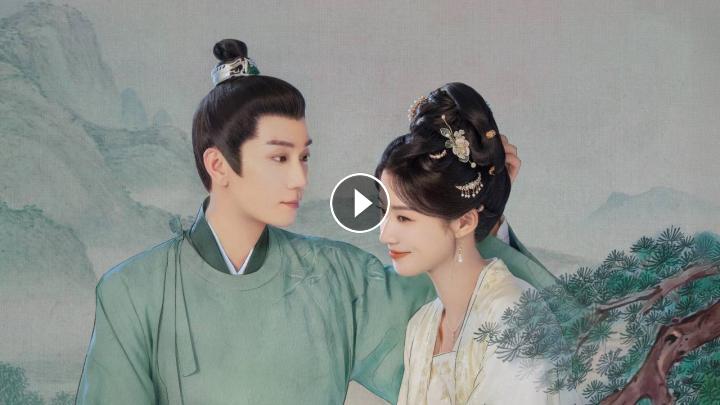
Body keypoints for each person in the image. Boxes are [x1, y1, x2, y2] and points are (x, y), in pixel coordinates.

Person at [76, 40, 554, 404]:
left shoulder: (334, 278)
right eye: (279, 158)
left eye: (303, 157)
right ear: (218, 165)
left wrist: (477, 207)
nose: (300, 178)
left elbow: (449, 335)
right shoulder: (133, 293)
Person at [377, 83, 566, 404]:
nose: (385, 235)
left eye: (404, 218)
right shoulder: (422, 327)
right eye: (384, 214)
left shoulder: (515, 316)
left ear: (464, 221)